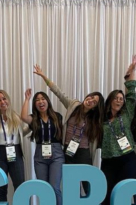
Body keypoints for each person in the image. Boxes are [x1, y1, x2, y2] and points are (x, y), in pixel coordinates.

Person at [33, 65, 104, 197]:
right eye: (90, 97)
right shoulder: (73, 105)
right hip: (67, 151)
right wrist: (43, 76)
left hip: (83, 153)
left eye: (94, 102)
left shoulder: (94, 120)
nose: (90, 101)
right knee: (71, 186)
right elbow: (58, 92)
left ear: (95, 107)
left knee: (86, 184)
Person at [100, 55, 136, 205]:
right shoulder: (100, 118)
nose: (119, 100)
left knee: (123, 191)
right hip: (108, 160)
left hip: (127, 158)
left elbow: (131, 93)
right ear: (110, 100)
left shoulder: (127, 113)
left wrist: (130, 74)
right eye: (116, 98)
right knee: (106, 192)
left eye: (121, 99)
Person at [20, 89, 65, 205]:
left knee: (55, 188)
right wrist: (27, 99)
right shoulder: (34, 119)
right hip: (40, 154)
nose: (40, 101)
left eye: (42, 99)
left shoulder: (57, 116)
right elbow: (23, 117)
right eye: (37, 100)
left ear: (47, 101)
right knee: (44, 189)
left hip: (56, 152)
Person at [0, 90, 31, 203]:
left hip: (15, 151)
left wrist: (32, 126)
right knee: (1, 188)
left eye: (4, 98)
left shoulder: (15, 116)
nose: (2, 102)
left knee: (20, 187)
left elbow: (20, 134)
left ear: (8, 100)